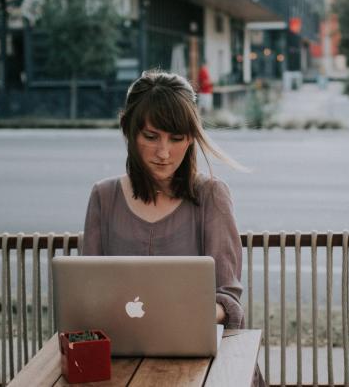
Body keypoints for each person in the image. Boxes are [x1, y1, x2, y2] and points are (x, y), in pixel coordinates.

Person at [81, 69, 245, 328]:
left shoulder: (212, 195)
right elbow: (86, 291)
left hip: (199, 355)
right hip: (121, 351)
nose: (164, 152)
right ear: (128, 131)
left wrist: (185, 317)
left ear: (191, 138)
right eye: (151, 136)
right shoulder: (104, 196)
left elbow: (228, 299)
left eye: (176, 138)